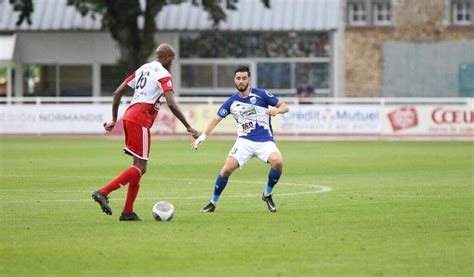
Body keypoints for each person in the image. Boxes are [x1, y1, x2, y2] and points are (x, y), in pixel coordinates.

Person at [92, 44, 198, 221]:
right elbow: (171, 103)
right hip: (140, 118)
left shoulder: (142, 69)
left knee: (138, 166)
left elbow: (118, 93)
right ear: (164, 57)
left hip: (129, 116)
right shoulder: (163, 74)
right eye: (171, 58)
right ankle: (103, 192)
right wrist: (188, 126)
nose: (172, 62)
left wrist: (113, 119)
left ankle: (127, 212)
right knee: (141, 167)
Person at [192, 66, 289, 213]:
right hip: (244, 142)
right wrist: (203, 136)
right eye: (238, 78)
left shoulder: (261, 95)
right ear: (234, 80)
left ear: (249, 79)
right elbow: (216, 119)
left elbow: (284, 106)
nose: (241, 81)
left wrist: (277, 110)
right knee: (226, 170)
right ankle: (213, 203)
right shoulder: (231, 102)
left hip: (264, 140)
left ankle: (267, 194)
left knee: (278, 162)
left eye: (244, 78)